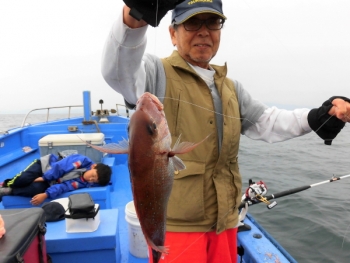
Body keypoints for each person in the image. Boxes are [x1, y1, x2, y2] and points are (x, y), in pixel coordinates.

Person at [101, 0, 350, 262]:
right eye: (192, 22)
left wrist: (318, 117)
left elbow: (268, 122)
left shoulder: (230, 87)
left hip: (226, 222)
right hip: (177, 229)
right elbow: (118, 72)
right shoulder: (154, 72)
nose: (204, 31)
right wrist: (136, 15)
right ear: (173, 33)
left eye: (213, 22)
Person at [0, 153, 112, 205]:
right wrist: (44, 177)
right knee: (24, 178)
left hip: (50, 182)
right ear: (93, 166)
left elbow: (64, 187)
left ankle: (9, 191)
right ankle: (6, 184)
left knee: (35, 189)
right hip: (44, 166)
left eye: (94, 180)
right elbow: (60, 167)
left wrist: (46, 195)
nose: (91, 179)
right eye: (93, 175)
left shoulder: (82, 183)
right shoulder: (81, 160)